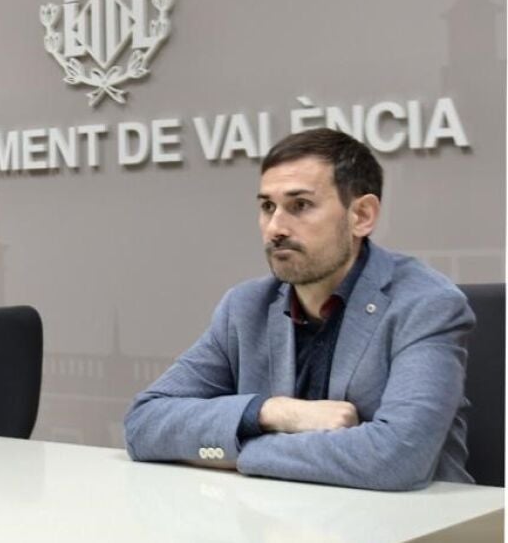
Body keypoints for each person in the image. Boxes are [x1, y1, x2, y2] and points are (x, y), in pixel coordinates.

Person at [124, 128, 474, 491]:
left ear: (362, 215)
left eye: (300, 206)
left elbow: (397, 459)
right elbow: (143, 424)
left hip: (414, 518)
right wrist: (274, 412)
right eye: (267, 207)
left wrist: (233, 450)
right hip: (279, 513)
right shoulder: (245, 307)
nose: (275, 228)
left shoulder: (425, 304)